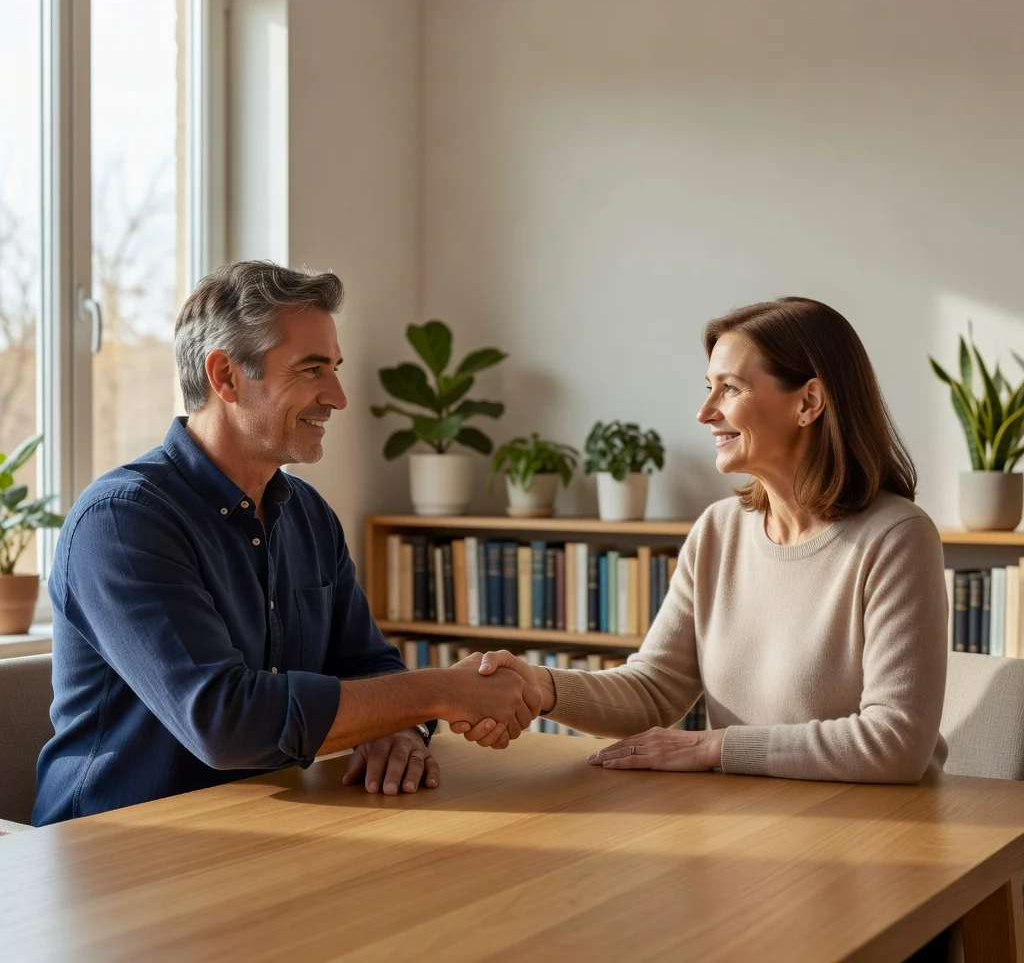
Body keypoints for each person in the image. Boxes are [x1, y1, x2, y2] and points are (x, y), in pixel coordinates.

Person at [34, 261, 540, 824]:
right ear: (225, 376)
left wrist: (396, 727)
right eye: (312, 369)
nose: (339, 397)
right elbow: (225, 723)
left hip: (264, 830)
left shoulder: (309, 514)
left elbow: (370, 664)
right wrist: (442, 692)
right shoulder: (122, 523)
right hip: (113, 852)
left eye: (335, 367)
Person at [454, 296, 948, 784]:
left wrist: (712, 746)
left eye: (729, 389)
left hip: (880, 831)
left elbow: (895, 743)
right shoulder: (719, 530)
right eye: (709, 387)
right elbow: (654, 690)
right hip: (753, 820)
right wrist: (541, 686)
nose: (705, 412)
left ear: (809, 403)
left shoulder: (897, 537)